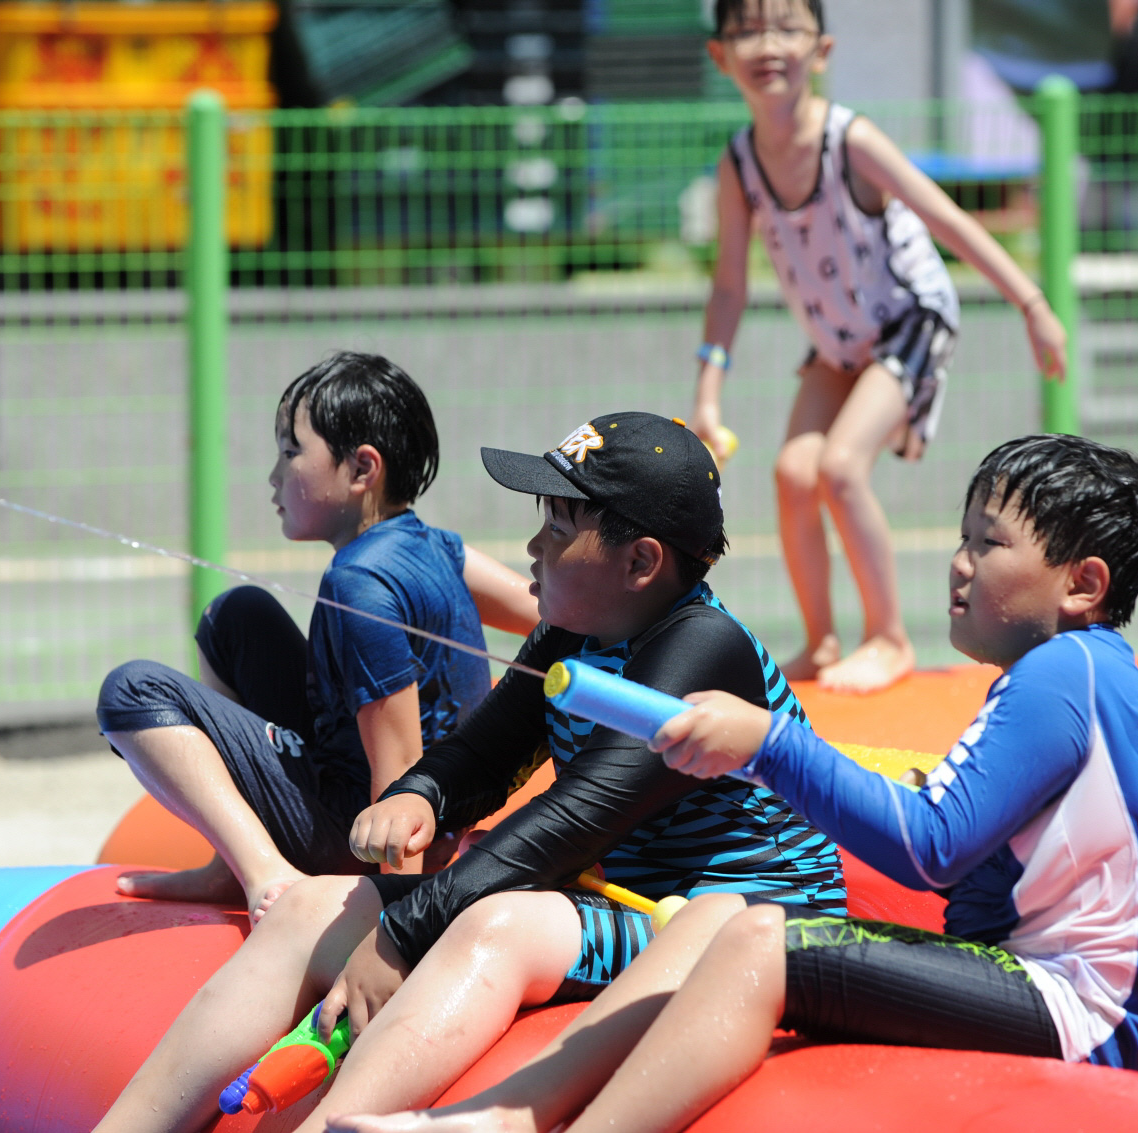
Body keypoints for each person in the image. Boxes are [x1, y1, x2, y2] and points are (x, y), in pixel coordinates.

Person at [329, 433, 1138, 1133]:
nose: (960, 562)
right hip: (1052, 988)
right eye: (962, 537)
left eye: (991, 543)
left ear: (1083, 583)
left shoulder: (1062, 675)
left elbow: (931, 847)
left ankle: (528, 1121)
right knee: (724, 920)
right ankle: (504, 1114)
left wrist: (769, 743)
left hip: (1080, 1011)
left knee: (755, 940)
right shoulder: (1081, 678)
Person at [93, 412, 844, 1133]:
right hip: (628, 898)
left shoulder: (704, 649)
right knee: (305, 909)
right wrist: (423, 794)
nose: (532, 546)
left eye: (558, 529)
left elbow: (582, 814)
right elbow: (487, 753)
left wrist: (402, 934)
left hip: (735, 921)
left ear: (640, 562)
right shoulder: (573, 634)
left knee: (497, 924)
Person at [688, 0, 1069, 692]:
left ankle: (889, 637)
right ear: (719, 56)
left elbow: (944, 217)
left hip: (909, 319)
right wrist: (707, 396)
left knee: (839, 467)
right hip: (839, 342)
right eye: (747, 30)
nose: (768, 44)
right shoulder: (739, 165)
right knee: (792, 474)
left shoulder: (850, 140)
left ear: (822, 50)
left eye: (787, 27)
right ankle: (821, 640)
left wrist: (1032, 303)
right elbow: (729, 288)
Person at [95, 351, 538, 919]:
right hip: (405, 805)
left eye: (291, 452)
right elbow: (545, 613)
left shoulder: (359, 585)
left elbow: (401, 766)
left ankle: (265, 873)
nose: (274, 476)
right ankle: (227, 865)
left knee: (132, 690)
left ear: (361, 470)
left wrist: (398, 916)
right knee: (235, 616)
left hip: (365, 835)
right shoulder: (436, 546)